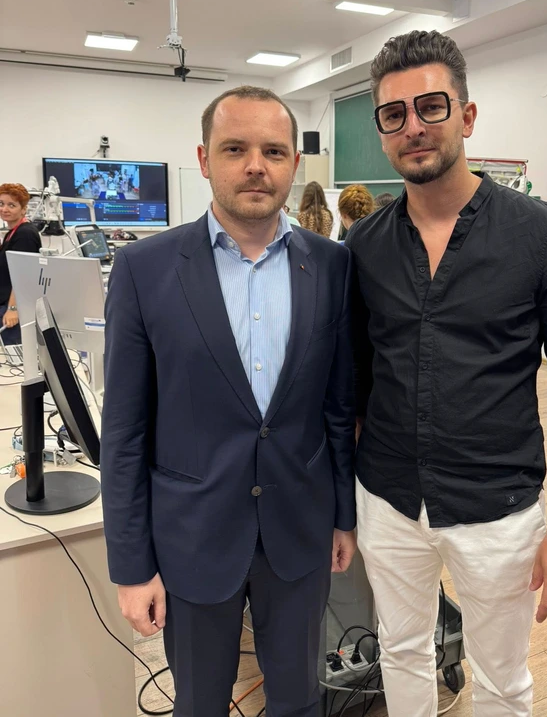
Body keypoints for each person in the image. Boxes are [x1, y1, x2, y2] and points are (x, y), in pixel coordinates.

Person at [346, 30, 547, 717]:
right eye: (394, 113)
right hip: (388, 500)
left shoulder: (546, 238)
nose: (413, 126)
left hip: (497, 508)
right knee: (399, 650)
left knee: (501, 680)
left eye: (430, 106)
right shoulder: (364, 245)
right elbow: (356, 379)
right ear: (382, 132)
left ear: (465, 115)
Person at [101, 85, 357, 717]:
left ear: (294, 163)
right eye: (235, 149)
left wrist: (343, 516)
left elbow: (336, 404)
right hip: (192, 538)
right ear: (204, 158)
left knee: (300, 701)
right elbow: (125, 431)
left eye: (274, 151)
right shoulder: (144, 268)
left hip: (299, 531)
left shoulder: (331, 266)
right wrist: (131, 566)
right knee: (199, 704)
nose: (255, 166)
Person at [0, 183, 41, 345]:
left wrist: (13, 309)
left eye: (12, 205)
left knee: (16, 356)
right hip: (6, 304)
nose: (4, 209)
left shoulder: (25, 234)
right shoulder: (12, 233)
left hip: (13, 309)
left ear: (23, 209)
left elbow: (23, 275)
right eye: (1, 204)